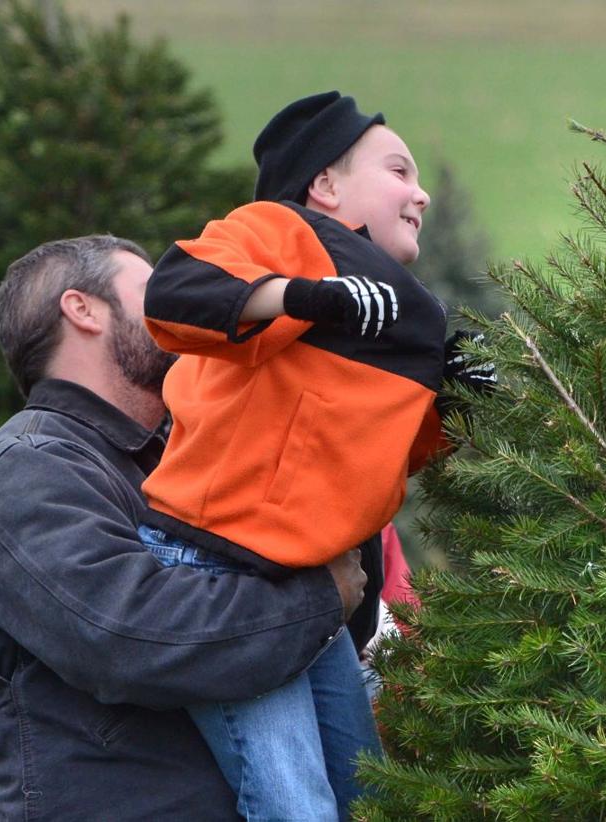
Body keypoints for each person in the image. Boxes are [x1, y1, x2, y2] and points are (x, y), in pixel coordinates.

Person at [140, 91, 493, 821]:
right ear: (325, 186)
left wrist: (455, 399)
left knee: (368, 797)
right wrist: (304, 295)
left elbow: (386, 460)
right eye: (399, 169)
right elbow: (173, 294)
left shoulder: (403, 310)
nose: (420, 191)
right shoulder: (279, 229)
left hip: (305, 593)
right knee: (296, 807)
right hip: (221, 574)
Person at [0, 235, 370, 821]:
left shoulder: (186, 460)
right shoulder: (24, 472)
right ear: (81, 309)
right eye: (154, 294)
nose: (181, 309)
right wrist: (317, 602)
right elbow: (130, 636)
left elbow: (342, 621)